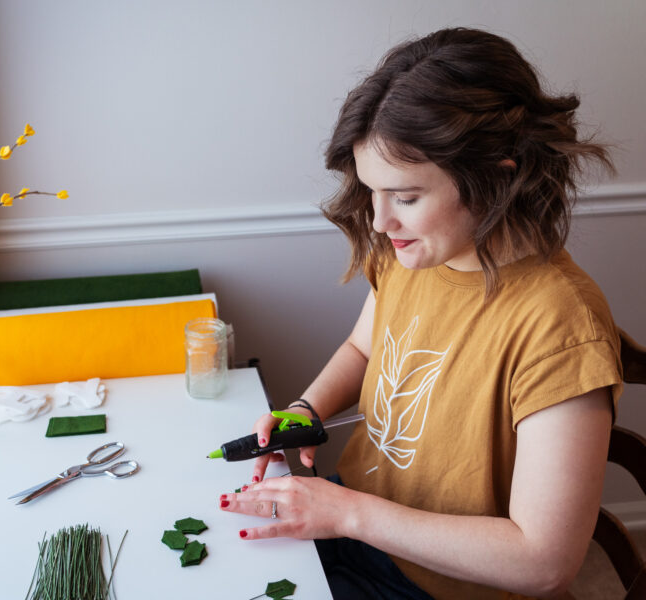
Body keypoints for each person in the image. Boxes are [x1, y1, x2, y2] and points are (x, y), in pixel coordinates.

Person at [218, 27, 623, 599]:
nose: (380, 222)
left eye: (405, 197)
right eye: (371, 192)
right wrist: (307, 408)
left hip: (445, 586)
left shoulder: (559, 325)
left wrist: (348, 513)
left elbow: (544, 560)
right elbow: (365, 347)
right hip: (366, 528)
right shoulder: (416, 254)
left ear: (497, 175)